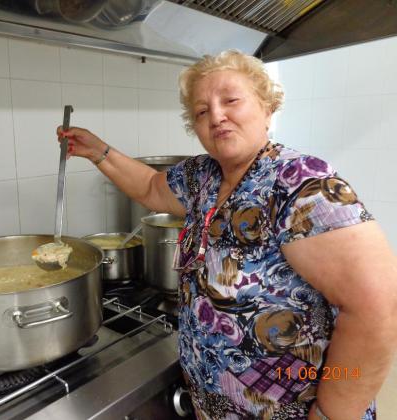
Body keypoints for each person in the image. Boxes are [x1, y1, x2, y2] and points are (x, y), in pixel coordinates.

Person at [57, 50, 397, 419]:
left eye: (231, 100)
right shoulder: (202, 176)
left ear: (267, 107)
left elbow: (379, 307)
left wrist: (333, 414)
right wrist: (98, 151)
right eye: (202, 111)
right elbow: (151, 187)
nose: (216, 116)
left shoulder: (301, 185)